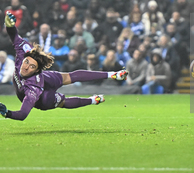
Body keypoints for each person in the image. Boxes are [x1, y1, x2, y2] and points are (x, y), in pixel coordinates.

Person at [0, 12, 128, 121]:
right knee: (62, 101)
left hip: (42, 93)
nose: (26, 67)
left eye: (32, 66)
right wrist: (10, 26)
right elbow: (14, 36)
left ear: (37, 70)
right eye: (27, 62)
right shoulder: (24, 53)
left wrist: (7, 113)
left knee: (69, 78)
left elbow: (22, 115)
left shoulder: (33, 89)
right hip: (40, 95)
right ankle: (93, 100)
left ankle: (113, 74)